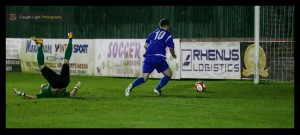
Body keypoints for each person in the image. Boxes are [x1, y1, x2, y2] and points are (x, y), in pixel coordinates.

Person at [13, 32, 81, 99]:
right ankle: (40, 45)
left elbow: (71, 95)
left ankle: (70, 38)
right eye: (42, 86)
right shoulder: (44, 92)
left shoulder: (45, 94)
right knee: (42, 66)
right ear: (43, 88)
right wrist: (76, 87)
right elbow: (34, 97)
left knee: (65, 61)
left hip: (65, 82)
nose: (42, 85)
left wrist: (22, 93)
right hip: (56, 83)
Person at [125, 19, 176, 96]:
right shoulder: (168, 35)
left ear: (160, 25)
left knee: (144, 78)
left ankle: (131, 86)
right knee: (168, 74)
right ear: (167, 25)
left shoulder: (153, 33)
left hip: (148, 56)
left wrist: (152, 49)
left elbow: (145, 45)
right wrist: (173, 55)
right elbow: (171, 48)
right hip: (159, 57)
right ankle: (157, 89)